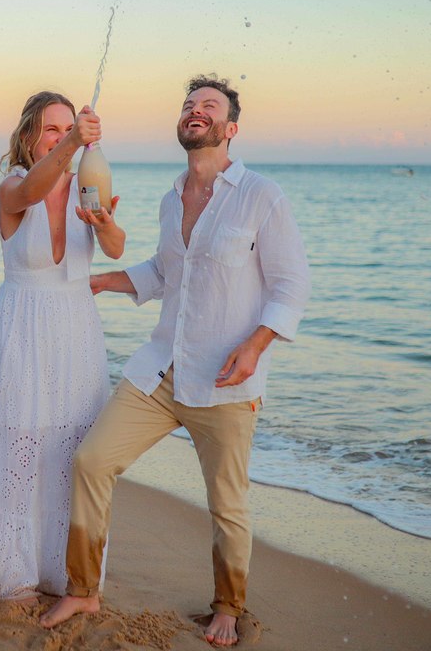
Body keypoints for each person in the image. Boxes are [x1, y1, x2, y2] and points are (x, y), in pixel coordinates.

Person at [40, 75, 311, 647]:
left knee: (227, 504)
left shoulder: (262, 196)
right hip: (160, 370)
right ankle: (83, 588)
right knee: (91, 461)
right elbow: (164, 272)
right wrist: (102, 281)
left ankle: (228, 607)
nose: (196, 110)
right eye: (189, 104)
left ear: (230, 128)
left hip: (225, 379)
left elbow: (291, 287)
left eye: (209, 105)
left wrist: (255, 345)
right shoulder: (172, 198)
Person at [0, 91, 126, 605]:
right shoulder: (14, 186)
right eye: (52, 129)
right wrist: (72, 144)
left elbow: (116, 249)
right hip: (23, 326)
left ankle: (64, 570)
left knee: (73, 447)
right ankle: (13, 569)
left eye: (70, 128)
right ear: (29, 136)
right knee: (19, 445)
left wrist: (107, 225)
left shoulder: (86, 184)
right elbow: (32, 189)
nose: (63, 137)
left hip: (77, 328)